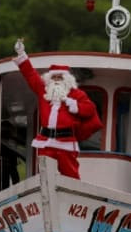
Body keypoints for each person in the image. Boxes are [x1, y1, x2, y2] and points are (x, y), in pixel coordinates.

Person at [13, 38, 103, 179]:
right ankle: (46, 196)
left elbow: (90, 109)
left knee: (70, 175)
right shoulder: (43, 90)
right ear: (49, 79)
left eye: (59, 77)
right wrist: (22, 54)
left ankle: (72, 198)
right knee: (44, 174)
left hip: (66, 141)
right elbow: (30, 74)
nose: (56, 80)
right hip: (46, 140)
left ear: (66, 79)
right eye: (53, 77)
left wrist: (72, 104)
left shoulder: (76, 94)